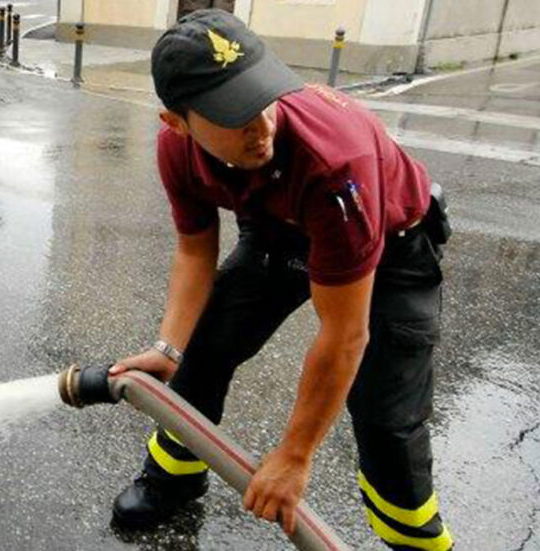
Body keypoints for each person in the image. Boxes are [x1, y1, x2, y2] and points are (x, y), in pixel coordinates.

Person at [108, 9, 454, 551]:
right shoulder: (177, 151)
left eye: (263, 98)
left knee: (386, 420)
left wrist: (294, 455)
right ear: (177, 123)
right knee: (203, 350)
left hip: (388, 247)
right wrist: (168, 347)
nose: (263, 126)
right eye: (235, 114)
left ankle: (418, 544)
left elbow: (344, 334)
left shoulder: (333, 163)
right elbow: (195, 251)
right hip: (280, 227)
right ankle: (173, 479)